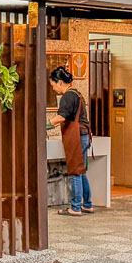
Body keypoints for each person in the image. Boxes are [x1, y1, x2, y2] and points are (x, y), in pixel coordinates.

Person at [48, 67, 93, 215]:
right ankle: (87, 204)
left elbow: (62, 117)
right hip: (84, 135)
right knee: (81, 171)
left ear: (60, 82)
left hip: (77, 136)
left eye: (53, 86)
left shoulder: (68, 96)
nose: (54, 89)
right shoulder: (77, 94)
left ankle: (75, 207)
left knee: (75, 171)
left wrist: (45, 124)